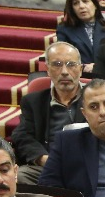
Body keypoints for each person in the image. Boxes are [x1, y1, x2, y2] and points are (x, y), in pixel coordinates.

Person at [11, 42, 84, 185]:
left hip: (88, 165)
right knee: (19, 176)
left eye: (71, 64)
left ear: (80, 69)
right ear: (48, 70)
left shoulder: (96, 97)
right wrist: (44, 159)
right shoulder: (34, 101)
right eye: (57, 64)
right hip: (48, 166)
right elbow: (22, 136)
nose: (64, 71)